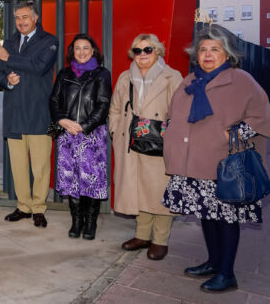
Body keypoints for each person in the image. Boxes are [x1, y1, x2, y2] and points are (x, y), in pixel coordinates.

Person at [162, 26, 270, 293]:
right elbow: (173, 113)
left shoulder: (241, 80)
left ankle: (227, 273)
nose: (207, 55)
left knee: (226, 218)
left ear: (227, 53)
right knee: (206, 215)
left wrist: (233, 133)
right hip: (194, 162)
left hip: (224, 165)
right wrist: (169, 129)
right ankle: (213, 262)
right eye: (203, 50)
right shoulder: (190, 81)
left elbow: (262, 116)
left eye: (214, 49)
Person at [110, 34, 182, 260]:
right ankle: (142, 235)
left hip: (158, 143)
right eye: (137, 50)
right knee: (136, 189)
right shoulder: (125, 77)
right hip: (129, 143)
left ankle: (160, 240)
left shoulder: (172, 77)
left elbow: (181, 113)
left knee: (158, 191)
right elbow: (114, 108)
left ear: (158, 51)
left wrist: (173, 140)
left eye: (147, 50)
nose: (142, 55)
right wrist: (115, 130)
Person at [0, 1, 57, 228]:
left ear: (35, 18)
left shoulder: (49, 41)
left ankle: (39, 208)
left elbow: (38, 66)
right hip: (15, 114)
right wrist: (6, 81)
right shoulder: (9, 42)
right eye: (18, 17)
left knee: (40, 167)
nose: (21, 21)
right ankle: (23, 206)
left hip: (39, 114)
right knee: (18, 165)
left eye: (25, 17)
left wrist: (9, 59)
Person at [49, 34, 111, 240]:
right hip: (67, 135)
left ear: (93, 50)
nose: (82, 52)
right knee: (71, 180)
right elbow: (54, 100)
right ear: (72, 51)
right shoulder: (65, 73)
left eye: (86, 48)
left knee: (90, 181)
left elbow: (103, 104)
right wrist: (62, 121)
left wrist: (83, 126)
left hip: (92, 136)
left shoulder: (102, 74)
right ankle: (76, 222)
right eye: (77, 48)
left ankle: (90, 223)